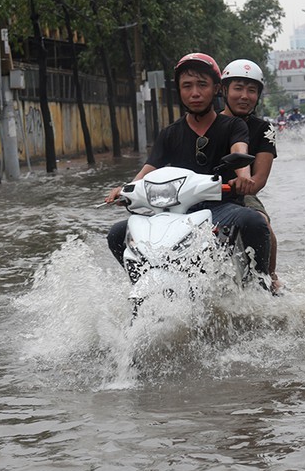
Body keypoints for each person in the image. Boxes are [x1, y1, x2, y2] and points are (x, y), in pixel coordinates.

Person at [105, 53, 272, 282]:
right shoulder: (169, 134)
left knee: (254, 221)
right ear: (180, 91)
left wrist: (243, 178)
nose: (195, 92)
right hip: (175, 211)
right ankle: (143, 283)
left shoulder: (234, 126)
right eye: (187, 86)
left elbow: (239, 153)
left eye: (202, 85)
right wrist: (125, 190)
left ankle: (261, 286)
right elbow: (147, 172)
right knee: (117, 233)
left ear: (216, 89)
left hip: (221, 208)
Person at [219, 58, 282, 292]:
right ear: (224, 90)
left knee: (262, 223)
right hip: (201, 194)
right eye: (238, 88)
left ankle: (269, 278)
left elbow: (258, 180)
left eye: (251, 90)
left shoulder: (264, 130)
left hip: (240, 195)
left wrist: (243, 184)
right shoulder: (209, 124)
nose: (244, 96)